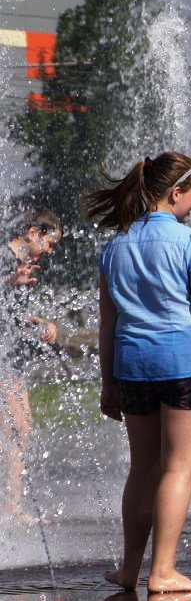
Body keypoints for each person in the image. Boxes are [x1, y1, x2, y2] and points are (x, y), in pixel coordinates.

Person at [89, 153, 191, 593]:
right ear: (175, 192)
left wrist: (107, 381)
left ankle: (129, 570)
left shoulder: (115, 246)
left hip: (133, 368)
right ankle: (163, 571)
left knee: (142, 469)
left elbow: (108, 324)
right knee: (177, 470)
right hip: (186, 365)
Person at [1, 208, 63, 519]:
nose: (50, 251)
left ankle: (12, 507)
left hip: (10, 359)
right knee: (13, 429)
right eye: (49, 243)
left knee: (20, 429)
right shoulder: (4, 256)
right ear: (33, 233)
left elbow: (12, 312)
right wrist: (11, 278)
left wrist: (41, 323)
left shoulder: (26, 265)